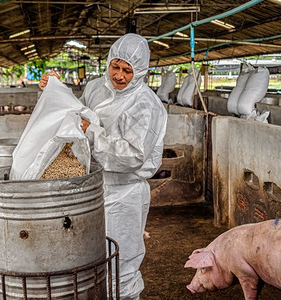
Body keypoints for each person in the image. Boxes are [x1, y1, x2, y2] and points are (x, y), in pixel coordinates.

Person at [39, 33, 167, 299]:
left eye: (128, 71)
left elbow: (133, 155)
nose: (119, 75)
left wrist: (93, 134)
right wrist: (55, 91)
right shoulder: (97, 87)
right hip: (91, 186)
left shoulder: (145, 104)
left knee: (121, 260)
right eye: (115, 66)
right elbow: (77, 114)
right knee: (87, 255)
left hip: (125, 193)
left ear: (140, 71)